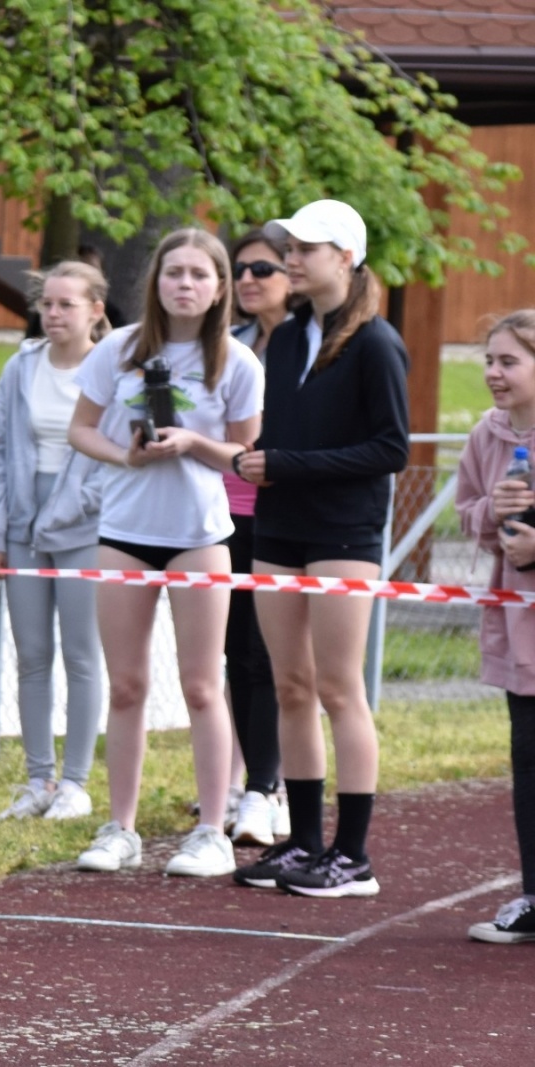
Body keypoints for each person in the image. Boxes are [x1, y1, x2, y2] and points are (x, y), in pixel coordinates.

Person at [66, 228, 263, 879]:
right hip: (124, 531)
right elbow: (80, 429)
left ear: (219, 288)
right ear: (156, 281)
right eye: (174, 272)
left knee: (203, 684)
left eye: (199, 274)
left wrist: (191, 443)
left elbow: (246, 457)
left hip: (200, 536)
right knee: (126, 685)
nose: (185, 284)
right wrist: (126, 455)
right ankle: (119, 827)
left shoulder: (237, 361)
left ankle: (211, 830)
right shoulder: (119, 349)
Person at [233, 199, 409, 898]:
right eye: (290, 247)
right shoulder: (284, 337)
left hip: (344, 531)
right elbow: (288, 433)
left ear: (346, 257)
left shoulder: (377, 343)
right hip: (279, 525)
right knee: (290, 685)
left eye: (306, 248)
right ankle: (305, 842)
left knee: (339, 687)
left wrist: (286, 463)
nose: (291, 259)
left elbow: (391, 448)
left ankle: (352, 855)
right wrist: (259, 459)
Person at [0, 261, 109, 822]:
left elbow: (118, 455)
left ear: (95, 310)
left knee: (82, 654)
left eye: (66, 304)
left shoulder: (111, 368)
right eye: (46, 304)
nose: (53, 314)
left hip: (85, 527)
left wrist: (74, 507)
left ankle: (76, 782)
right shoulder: (21, 366)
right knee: (31, 654)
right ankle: (39, 780)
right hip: (24, 528)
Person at [458, 310, 535, 943]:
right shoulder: (487, 435)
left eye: (508, 361)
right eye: (489, 360)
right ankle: (534, 895)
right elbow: (468, 516)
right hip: (519, 624)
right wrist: (493, 510)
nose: (493, 373)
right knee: (528, 757)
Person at [220, 229, 295, 847]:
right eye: (240, 268)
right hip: (224, 514)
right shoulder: (232, 343)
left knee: (268, 655)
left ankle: (267, 787)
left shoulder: (311, 344)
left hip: (286, 515)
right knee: (235, 656)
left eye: (262, 268)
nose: (248, 279)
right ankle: (248, 783)